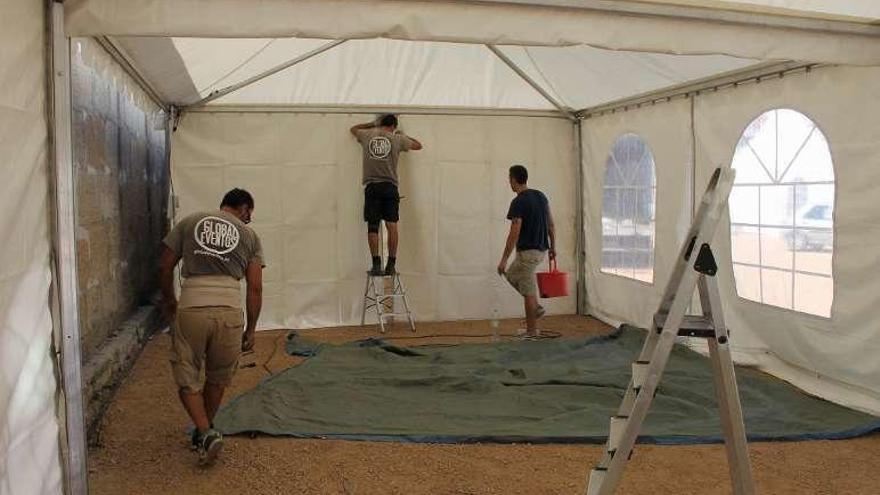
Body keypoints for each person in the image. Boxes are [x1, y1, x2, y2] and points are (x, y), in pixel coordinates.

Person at [158, 188, 264, 466]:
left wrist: (170, 301)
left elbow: (165, 266)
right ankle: (206, 431)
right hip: (230, 312)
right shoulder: (250, 236)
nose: (248, 219)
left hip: (192, 307)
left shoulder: (190, 222)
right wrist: (251, 329)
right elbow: (255, 288)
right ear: (243, 208)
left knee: (186, 374)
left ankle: (204, 432)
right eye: (249, 214)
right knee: (218, 377)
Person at [350, 114, 423, 276]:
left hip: (372, 186)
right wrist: (401, 135)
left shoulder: (367, 135)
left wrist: (372, 124)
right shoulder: (396, 139)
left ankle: (376, 264)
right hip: (390, 186)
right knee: (392, 226)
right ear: (393, 126)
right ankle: (391, 264)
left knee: (373, 226)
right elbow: (418, 145)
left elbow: (353, 129)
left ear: (380, 123)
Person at [497, 165, 556, 339]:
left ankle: (532, 332)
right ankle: (536, 308)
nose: (509, 182)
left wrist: (504, 259)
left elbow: (514, 231)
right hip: (540, 251)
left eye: (510, 179)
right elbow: (551, 224)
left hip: (527, 254)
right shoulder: (541, 196)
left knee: (527, 290)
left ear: (514, 179)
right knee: (513, 276)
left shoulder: (518, 202)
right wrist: (554, 247)